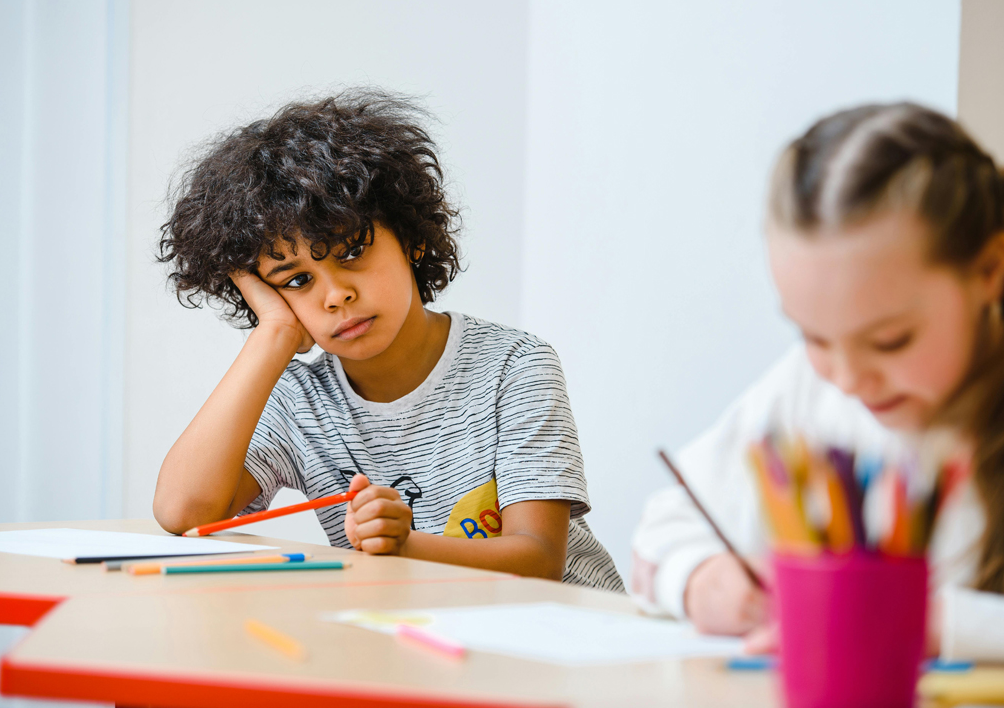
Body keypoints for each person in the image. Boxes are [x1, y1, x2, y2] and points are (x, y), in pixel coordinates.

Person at [153, 90, 623, 592]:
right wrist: (271, 334)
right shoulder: (300, 401)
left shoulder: (514, 365)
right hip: (424, 641)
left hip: (565, 637)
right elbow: (183, 513)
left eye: (352, 252)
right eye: (296, 281)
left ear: (411, 238)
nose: (336, 296)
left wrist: (407, 547)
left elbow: (540, 561)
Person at [633, 102, 1004, 659]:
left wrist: (925, 620)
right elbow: (665, 526)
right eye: (813, 337)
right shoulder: (812, 387)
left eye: (890, 341)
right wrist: (700, 578)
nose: (850, 380)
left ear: (990, 269)